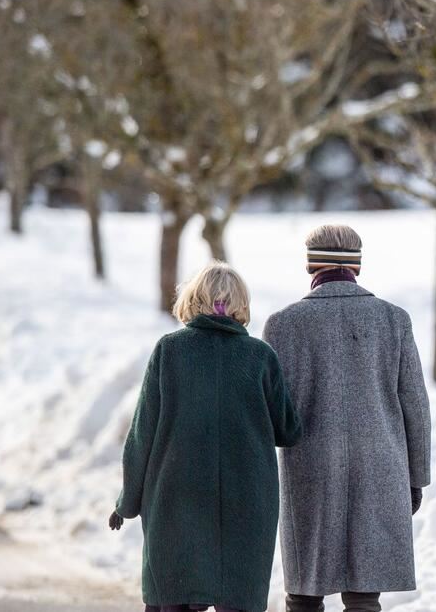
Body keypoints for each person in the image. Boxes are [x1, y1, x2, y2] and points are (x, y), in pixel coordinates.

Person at [110, 262, 303, 612]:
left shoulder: (169, 351)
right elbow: (289, 430)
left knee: (173, 597)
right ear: (240, 304)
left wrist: (127, 502)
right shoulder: (261, 357)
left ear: (193, 299)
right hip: (247, 503)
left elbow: (142, 435)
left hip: (176, 500)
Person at [263, 224, 431, 612]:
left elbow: (270, 409)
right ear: (357, 263)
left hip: (309, 468)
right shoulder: (394, 320)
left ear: (311, 266)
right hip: (381, 467)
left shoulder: (283, 324)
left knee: (304, 593)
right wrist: (416, 477)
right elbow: (415, 405)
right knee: (364, 593)